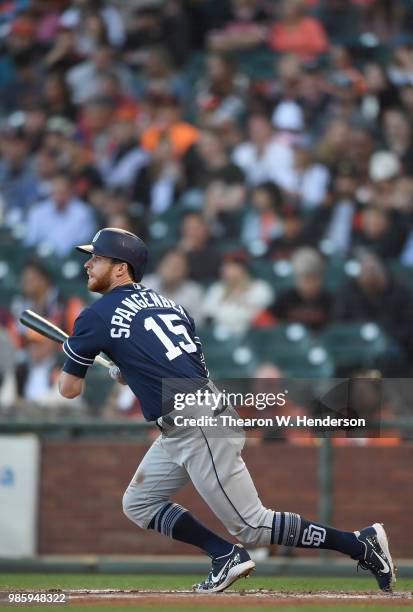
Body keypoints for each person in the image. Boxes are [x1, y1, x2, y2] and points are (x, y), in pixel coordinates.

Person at [58, 227, 395, 593]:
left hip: (193, 422)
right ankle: (223, 555)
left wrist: (79, 358)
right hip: (196, 411)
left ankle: (360, 544)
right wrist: (128, 370)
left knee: (251, 525)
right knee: (139, 502)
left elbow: (69, 389)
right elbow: (189, 368)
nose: (88, 264)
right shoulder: (170, 304)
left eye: (97, 258)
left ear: (121, 268)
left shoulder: (95, 315)